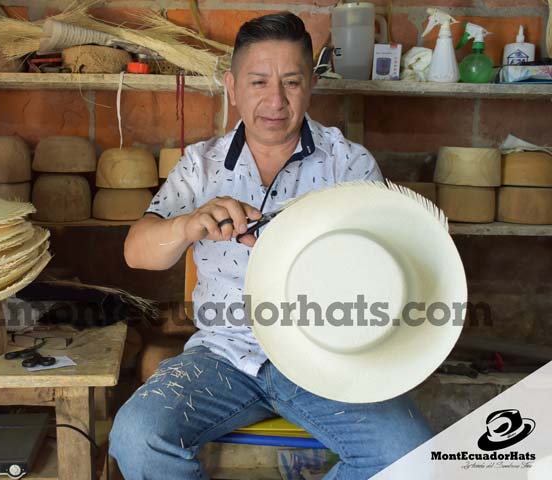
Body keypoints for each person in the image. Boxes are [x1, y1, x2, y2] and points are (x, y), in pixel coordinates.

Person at [110, 12, 432, 479]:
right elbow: (136, 252)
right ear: (232, 86)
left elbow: (388, 271)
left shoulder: (348, 163)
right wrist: (187, 225)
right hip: (222, 355)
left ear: (311, 86)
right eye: (258, 82)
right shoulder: (199, 165)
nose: (275, 101)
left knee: (409, 454)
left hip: (326, 359)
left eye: (292, 82)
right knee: (136, 438)